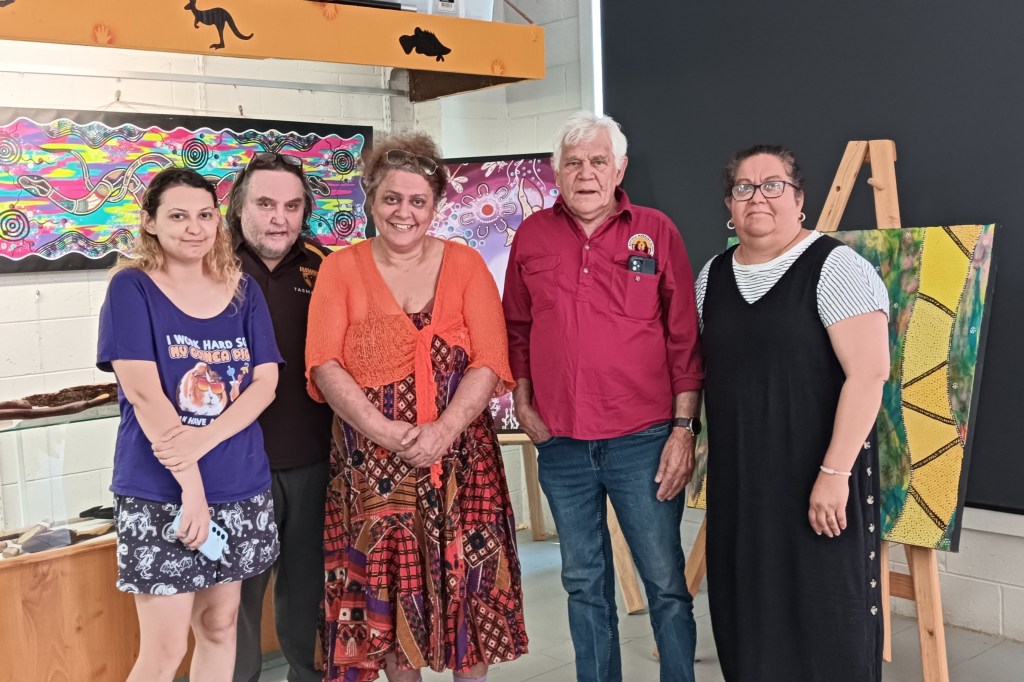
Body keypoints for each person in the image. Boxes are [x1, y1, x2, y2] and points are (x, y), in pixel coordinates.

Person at [305, 132, 528, 682]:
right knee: (389, 598)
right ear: (370, 198)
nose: (403, 212)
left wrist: (443, 431)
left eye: (418, 201)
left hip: (462, 466)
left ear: (435, 205)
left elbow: (491, 359)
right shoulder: (340, 269)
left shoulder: (466, 264)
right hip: (372, 468)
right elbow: (324, 364)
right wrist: (383, 431)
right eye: (391, 198)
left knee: (468, 594)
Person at [503, 111, 703, 682]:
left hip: (644, 439)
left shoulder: (656, 231)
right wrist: (522, 401)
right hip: (561, 442)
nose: (585, 173)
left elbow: (684, 338)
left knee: (665, 582)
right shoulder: (532, 236)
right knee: (583, 583)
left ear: (620, 169)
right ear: (556, 172)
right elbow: (516, 328)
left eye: (597, 161)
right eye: (573, 162)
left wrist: (683, 431)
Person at [697, 145, 890, 681]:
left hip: (817, 483)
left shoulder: (836, 267)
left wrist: (834, 473)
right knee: (748, 617)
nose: (757, 197)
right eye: (743, 187)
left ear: (799, 199)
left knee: (824, 619)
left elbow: (868, 375)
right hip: (741, 488)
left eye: (773, 185)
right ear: (729, 205)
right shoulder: (711, 277)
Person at [97, 166, 283, 681]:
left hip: (239, 483)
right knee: (165, 647)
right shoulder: (131, 288)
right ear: (150, 222)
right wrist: (192, 488)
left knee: (220, 626)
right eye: (178, 216)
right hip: (161, 490)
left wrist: (204, 439)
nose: (195, 228)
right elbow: (143, 394)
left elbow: (265, 383)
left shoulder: (243, 289)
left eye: (205, 215)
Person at [227, 152, 335, 682]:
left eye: (292, 206)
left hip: (315, 459)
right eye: (266, 204)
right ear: (239, 206)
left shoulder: (326, 266)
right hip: (234, 465)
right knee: (234, 608)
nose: (279, 219)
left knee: (309, 599)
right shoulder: (211, 263)